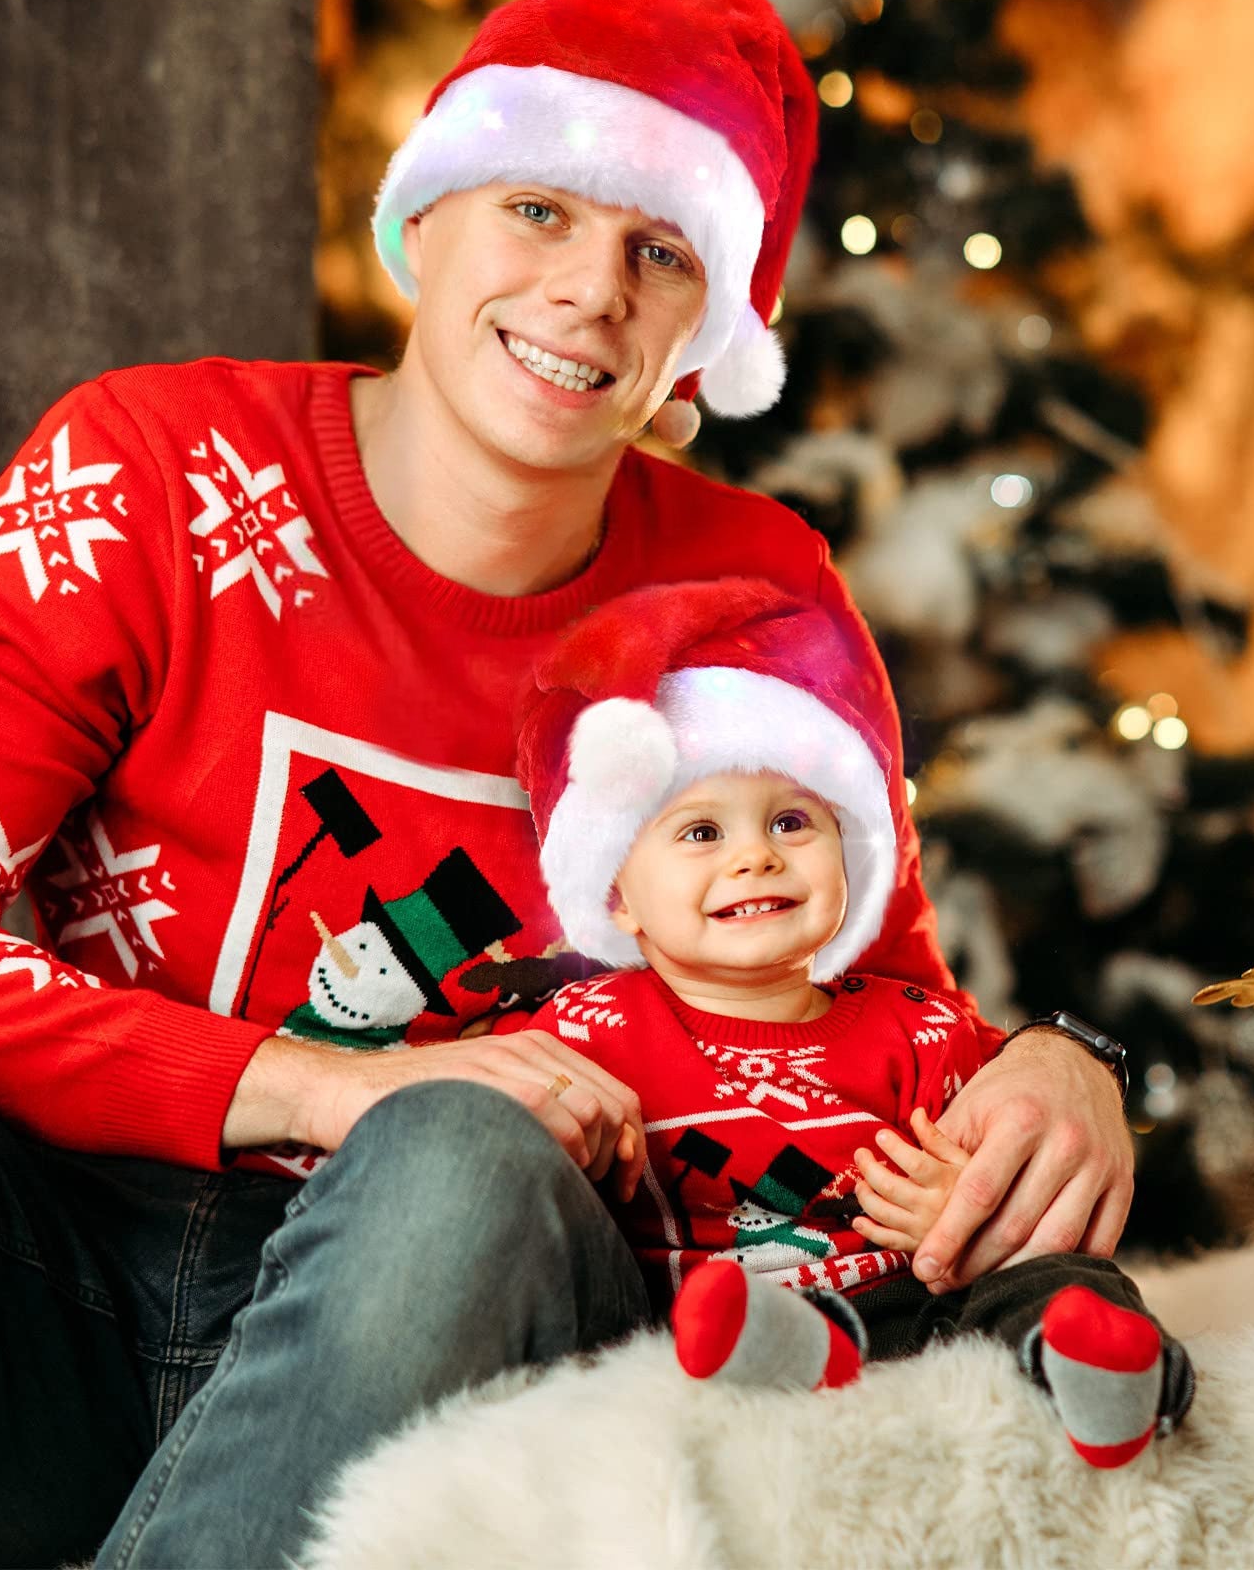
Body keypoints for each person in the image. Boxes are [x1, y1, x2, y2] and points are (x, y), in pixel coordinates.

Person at [0, 0, 1132, 1568]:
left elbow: (854, 1013)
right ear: (428, 213)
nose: (591, 290)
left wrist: (1052, 1060)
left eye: (661, 253)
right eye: (540, 208)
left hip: (456, 1353)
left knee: (459, 1156)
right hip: (42, 1296)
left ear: (702, 335)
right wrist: (324, 1085)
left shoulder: (755, 585)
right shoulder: (159, 472)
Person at [510, 577, 1193, 1466]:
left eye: (792, 821)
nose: (756, 854)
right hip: (703, 1321)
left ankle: (1102, 1375)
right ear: (617, 896)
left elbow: (1010, 1165)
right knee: (705, 1330)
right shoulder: (587, 1025)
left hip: (917, 1306)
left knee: (1052, 1272)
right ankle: (789, 1358)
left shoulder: (921, 1025)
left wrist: (958, 1208)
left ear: (846, 851)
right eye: (701, 834)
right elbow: (501, 1131)